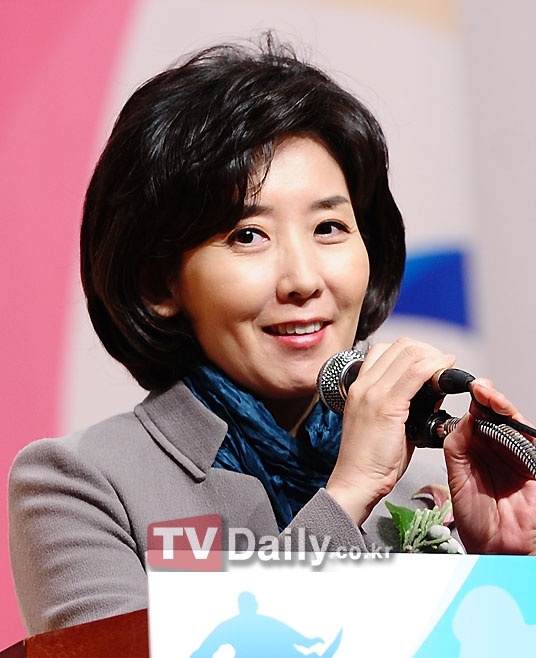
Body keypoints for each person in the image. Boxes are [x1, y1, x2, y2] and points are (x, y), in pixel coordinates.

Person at [8, 34, 536, 636]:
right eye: (248, 236)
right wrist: (347, 495)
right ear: (159, 283)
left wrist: (507, 570)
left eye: (329, 227)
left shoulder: (428, 480)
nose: (304, 280)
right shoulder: (81, 484)